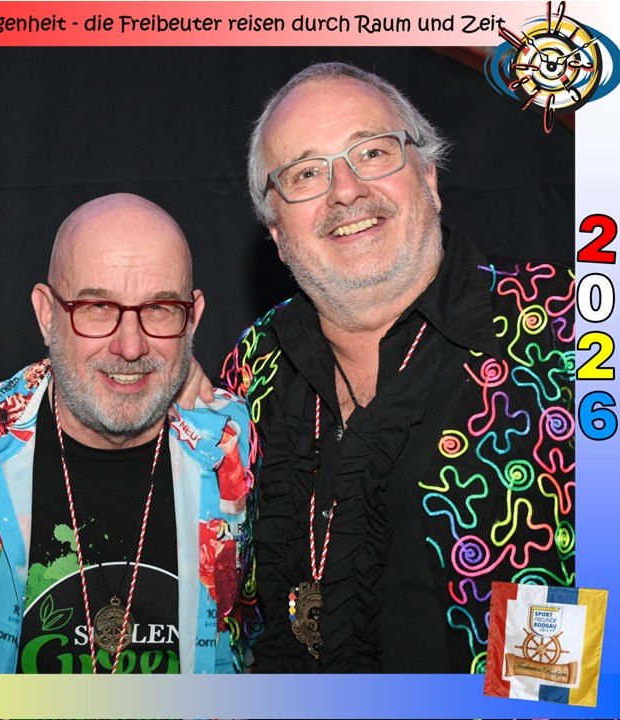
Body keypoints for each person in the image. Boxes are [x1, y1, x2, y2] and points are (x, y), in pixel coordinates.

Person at [221, 62, 575, 673]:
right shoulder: (249, 367)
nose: (346, 190)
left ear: (428, 178)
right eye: (306, 173)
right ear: (276, 231)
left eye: (373, 152)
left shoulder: (570, 329)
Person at [0, 193, 253, 674]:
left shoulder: (235, 444)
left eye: (160, 308)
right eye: (98, 307)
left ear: (192, 319)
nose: (130, 346)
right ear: (47, 315)